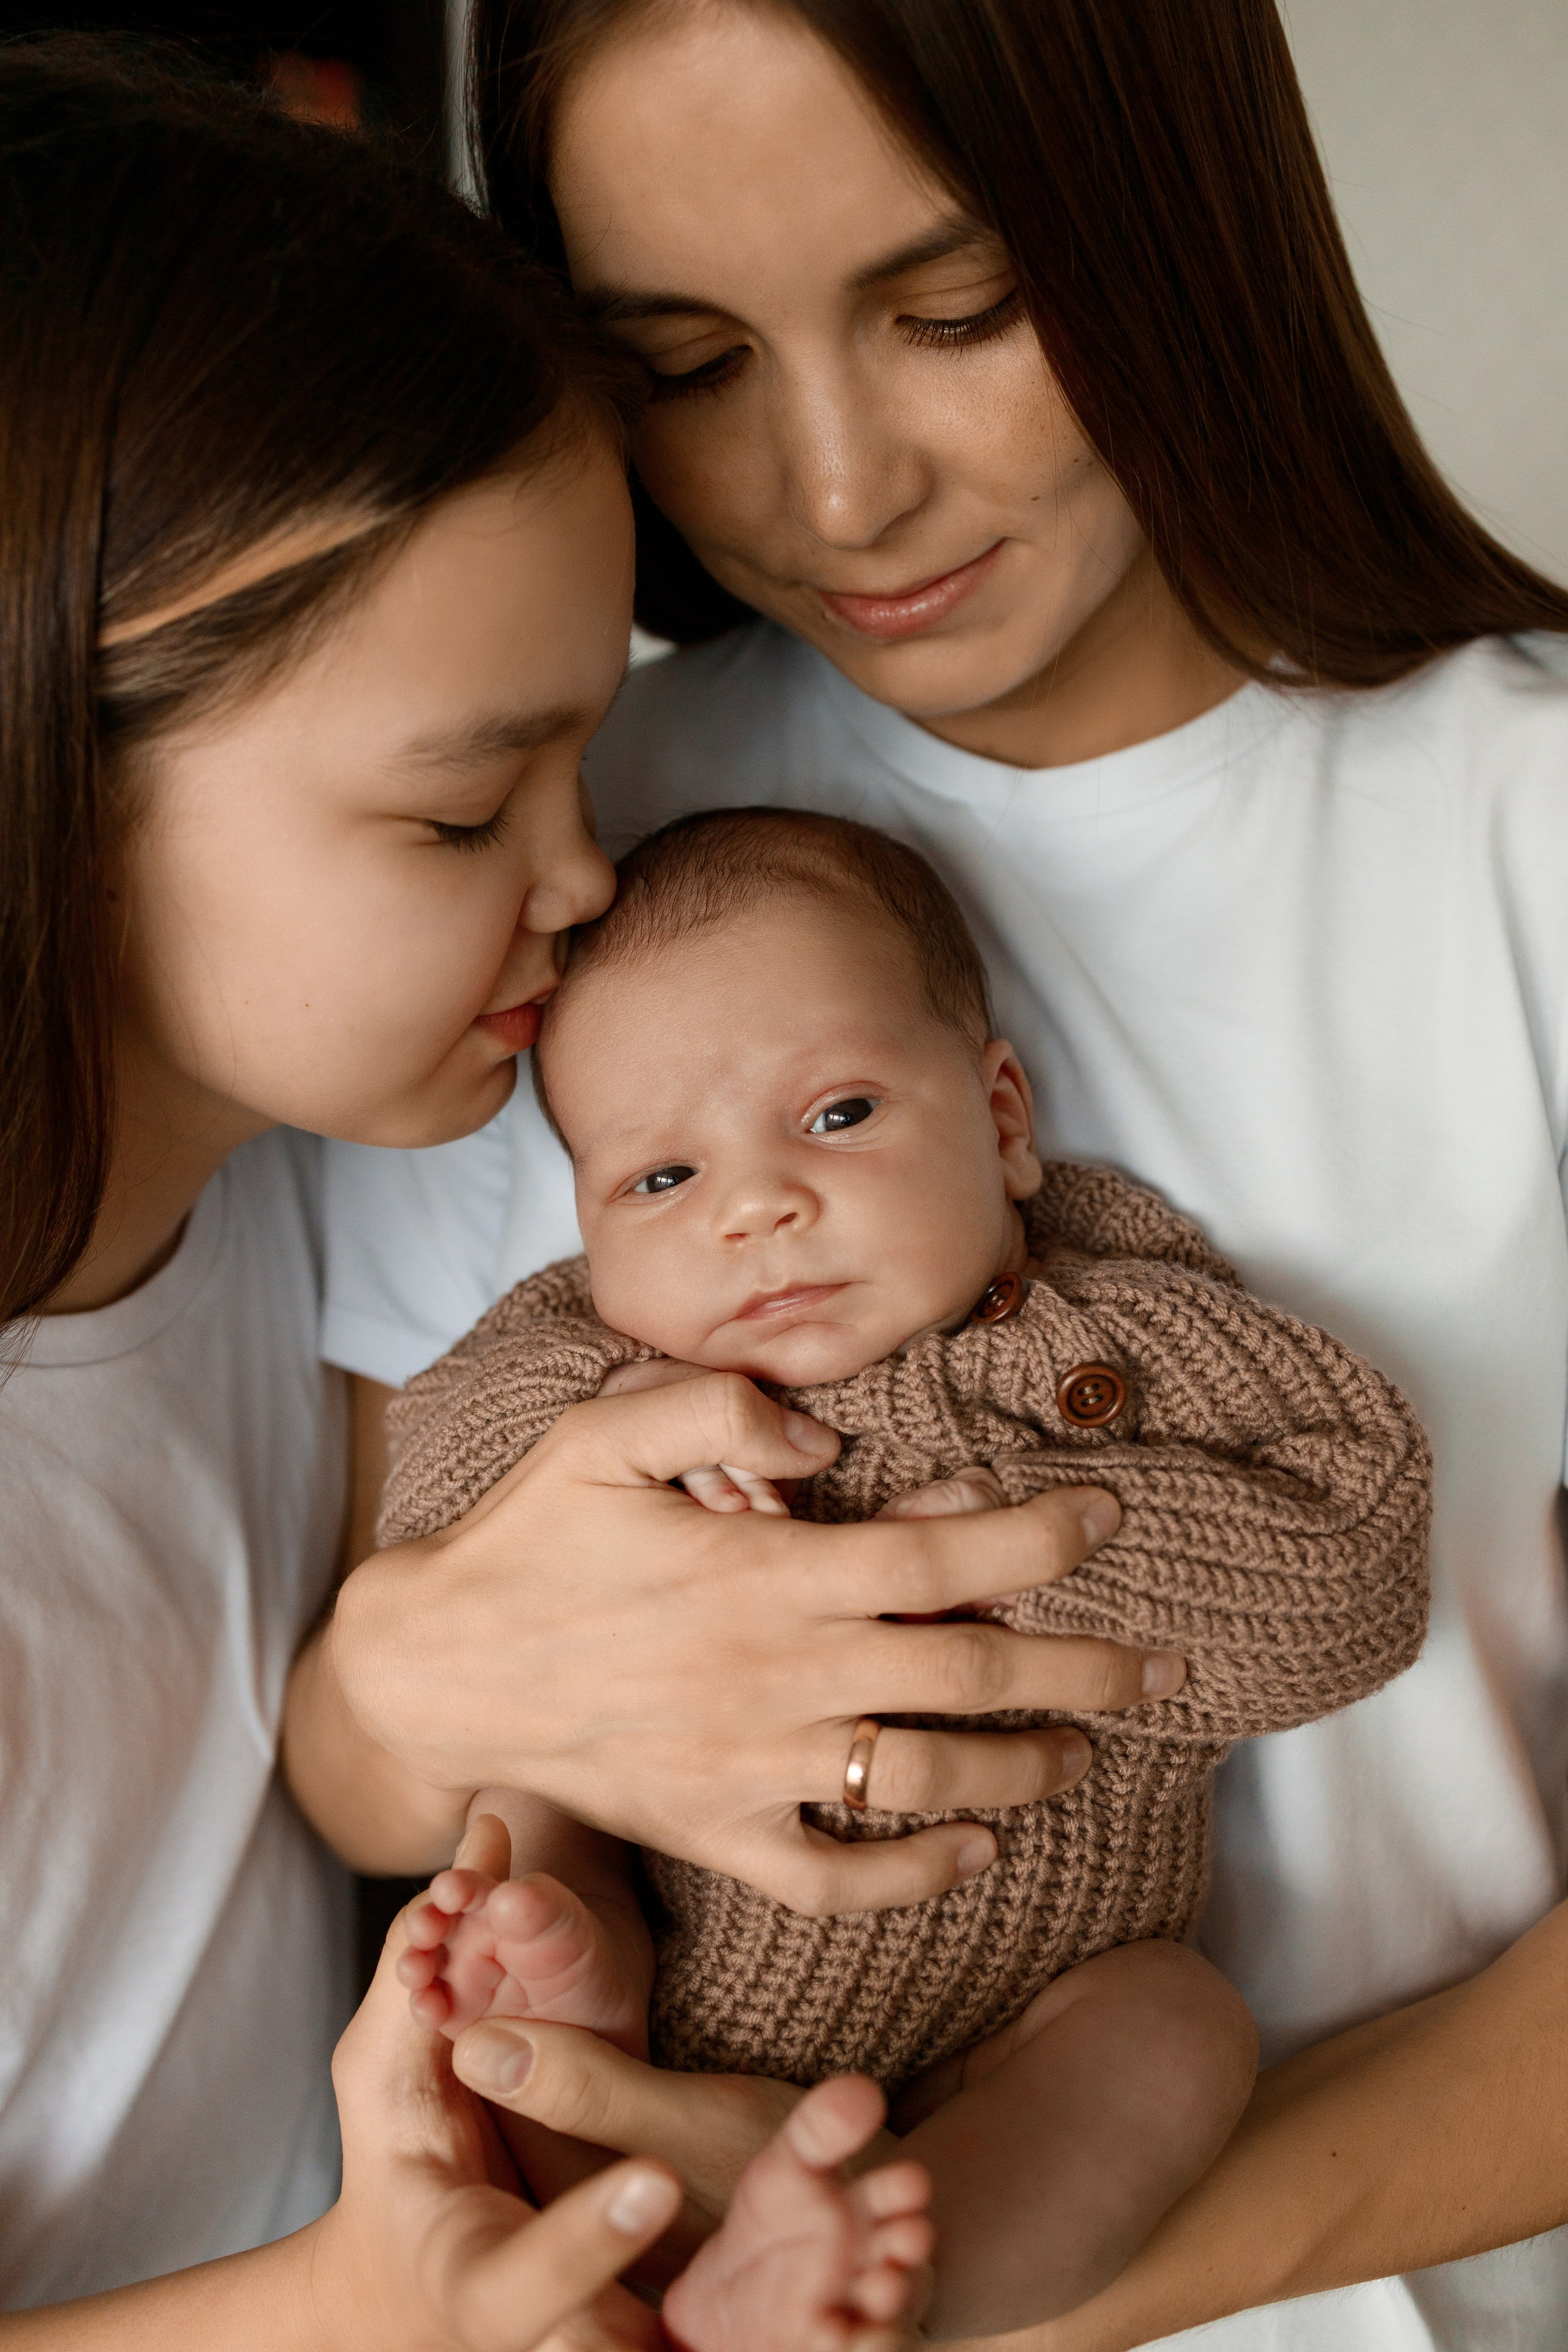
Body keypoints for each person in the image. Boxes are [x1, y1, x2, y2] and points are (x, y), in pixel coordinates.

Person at [318, 1, 1568, 2345]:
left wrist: (980, 2282)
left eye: (960, 312)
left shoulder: (1526, 833)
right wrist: (428, 1704)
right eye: (686, 362)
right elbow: (361, 1737)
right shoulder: (550, 835)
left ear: (1179, 221)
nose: (840, 492)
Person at [0, 29, 1150, 2334]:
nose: (588, 878)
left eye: (586, 763)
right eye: (461, 814)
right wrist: (364, 2304)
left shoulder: (279, 1212)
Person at [380, 806, 1431, 2339]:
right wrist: (604, 1425)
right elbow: (428, 1514)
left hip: (1040, 2011)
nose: (752, 1206)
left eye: (836, 1115)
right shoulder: (590, 1357)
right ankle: (581, 1995)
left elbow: (1358, 1576)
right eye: (658, 1181)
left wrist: (1030, 1549)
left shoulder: (1122, 1342)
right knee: (529, 1823)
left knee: (1177, 2030)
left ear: (1000, 1119)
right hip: (672, 1947)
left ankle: (887, 2284)